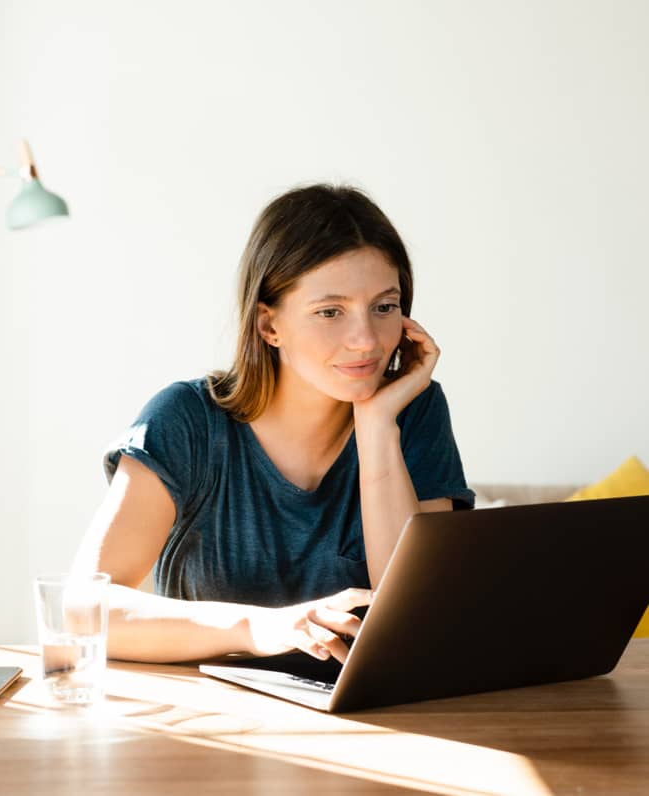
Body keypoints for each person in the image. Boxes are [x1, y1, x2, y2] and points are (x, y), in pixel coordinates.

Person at [73, 183, 475, 665]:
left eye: (384, 307)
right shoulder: (186, 420)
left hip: (365, 721)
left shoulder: (412, 411)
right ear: (269, 326)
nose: (366, 339)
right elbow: (84, 609)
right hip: (209, 719)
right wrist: (257, 625)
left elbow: (421, 617)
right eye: (330, 311)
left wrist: (376, 427)